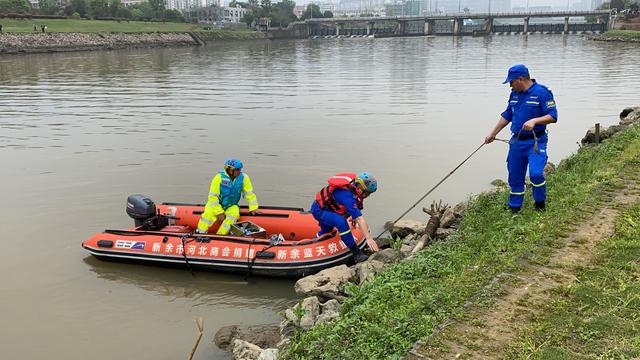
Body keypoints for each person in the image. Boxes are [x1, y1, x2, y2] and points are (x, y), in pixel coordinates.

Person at [484, 64, 558, 213]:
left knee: (536, 174)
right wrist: (493, 133)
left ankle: (539, 205)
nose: (510, 85)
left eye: (511, 82)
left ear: (520, 79)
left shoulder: (542, 93)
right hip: (517, 142)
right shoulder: (514, 94)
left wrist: (534, 121)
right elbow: (507, 115)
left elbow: (553, 116)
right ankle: (514, 209)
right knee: (515, 177)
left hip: (536, 142)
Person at [310, 172, 379, 263]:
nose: (368, 196)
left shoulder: (353, 190)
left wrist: (353, 216)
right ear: (359, 188)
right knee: (342, 223)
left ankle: (313, 243)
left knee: (327, 231)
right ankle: (356, 253)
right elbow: (359, 218)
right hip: (320, 210)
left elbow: (353, 210)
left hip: (329, 208)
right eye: (367, 193)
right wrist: (369, 238)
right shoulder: (347, 195)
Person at [195, 159, 259, 235]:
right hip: (216, 205)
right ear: (229, 169)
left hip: (231, 205)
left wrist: (253, 207)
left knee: (234, 214)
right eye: (237, 170)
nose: (239, 172)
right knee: (207, 215)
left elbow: (249, 193)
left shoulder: (244, 178)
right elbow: (213, 197)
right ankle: (199, 233)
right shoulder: (219, 177)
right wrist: (219, 212)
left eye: (240, 169)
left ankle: (221, 235)